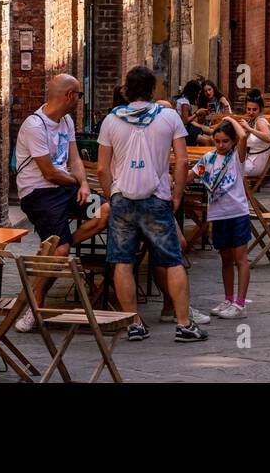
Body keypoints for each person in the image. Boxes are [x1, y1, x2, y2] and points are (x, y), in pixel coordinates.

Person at [97, 65, 207, 343]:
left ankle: (133, 323)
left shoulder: (111, 121)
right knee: (172, 260)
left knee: (122, 261)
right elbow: (182, 161)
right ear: (152, 90)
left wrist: (112, 195)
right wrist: (178, 195)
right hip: (157, 198)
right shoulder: (168, 116)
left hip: (122, 198)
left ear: (126, 90)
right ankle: (183, 324)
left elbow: (101, 168)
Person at [13, 74, 108, 332]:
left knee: (104, 210)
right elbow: (49, 172)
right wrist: (74, 183)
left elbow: (74, 158)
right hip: (40, 194)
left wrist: (85, 186)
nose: (79, 100)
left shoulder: (66, 120)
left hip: (67, 188)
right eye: (78, 95)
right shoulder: (34, 126)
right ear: (69, 96)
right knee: (60, 251)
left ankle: (61, 243)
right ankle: (34, 306)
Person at [192, 117, 253, 319]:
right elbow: (193, 174)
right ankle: (228, 298)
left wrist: (229, 118)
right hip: (218, 215)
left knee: (240, 258)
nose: (220, 145)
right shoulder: (208, 159)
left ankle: (240, 303)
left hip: (237, 212)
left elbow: (243, 135)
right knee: (225, 259)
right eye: (217, 141)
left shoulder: (237, 157)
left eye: (225, 141)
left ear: (232, 141)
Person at [241, 90, 270, 179]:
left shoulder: (260, 121)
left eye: (254, 109)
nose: (251, 112)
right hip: (249, 161)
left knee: (225, 169)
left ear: (260, 109)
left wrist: (249, 129)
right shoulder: (253, 121)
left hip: (255, 165)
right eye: (248, 109)